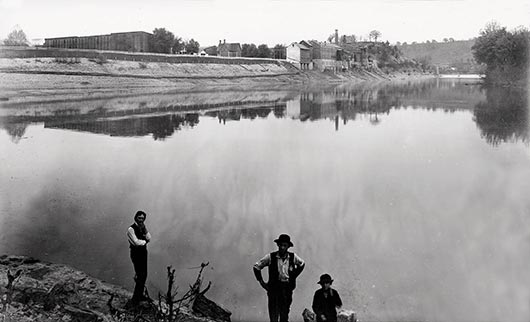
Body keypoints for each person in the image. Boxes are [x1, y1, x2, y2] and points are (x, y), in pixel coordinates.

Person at [253, 234, 305, 322]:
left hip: (287, 289)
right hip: (274, 289)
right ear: (278, 245)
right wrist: (262, 282)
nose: (282, 247)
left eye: (285, 245)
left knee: (284, 315)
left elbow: (302, 263)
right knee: (274, 315)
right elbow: (256, 267)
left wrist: (293, 276)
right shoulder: (271, 257)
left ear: (288, 247)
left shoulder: (293, 257)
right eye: (280, 245)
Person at [127, 210, 151, 304]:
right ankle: (135, 298)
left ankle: (139, 295)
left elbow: (149, 237)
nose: (141, 220)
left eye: (142, 218)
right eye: (139, 218)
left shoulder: (142, 227)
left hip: (143, 253)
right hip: (136, 253)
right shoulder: (131, 229)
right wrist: (144, 241)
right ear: (135, 218)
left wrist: (145, 231)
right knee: (140, 274)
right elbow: (136, 242)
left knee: (144, 274)